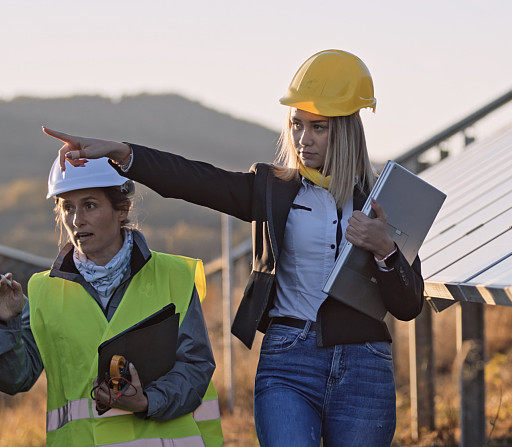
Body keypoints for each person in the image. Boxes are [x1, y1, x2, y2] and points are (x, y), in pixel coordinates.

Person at [42, 49, 424, 446]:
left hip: (364, 366)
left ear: (346, 130)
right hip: (288, 360)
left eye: (319, 128)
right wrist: (125, 154)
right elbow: (195, 179)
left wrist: (385, 250)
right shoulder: (272, 188)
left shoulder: (383, 199)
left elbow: (408, 305)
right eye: (296, 124)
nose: (302, 139)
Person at [0, 157, 223, 446]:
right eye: (67, 207)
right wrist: (7, 321)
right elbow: (18, 379)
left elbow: (195, 366)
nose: (77, 220)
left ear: (122, 209)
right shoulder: (43, 290)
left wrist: (147, 402)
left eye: (89, 205)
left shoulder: (174, 276)